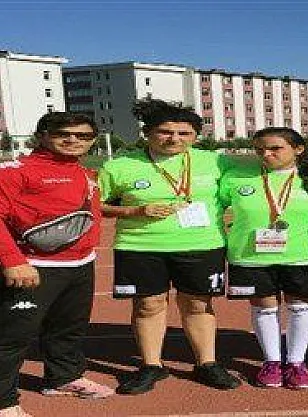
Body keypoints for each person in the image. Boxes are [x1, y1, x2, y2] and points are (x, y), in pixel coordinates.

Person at [98, 100, 240, 395]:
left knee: (198, 304)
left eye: (184, 133)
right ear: (147, 133)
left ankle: (207, 363)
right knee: (148, 305)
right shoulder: (119, 166)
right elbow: (95, 205)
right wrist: (134, 211)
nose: (174, 138)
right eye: (165, 131)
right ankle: (151, 365)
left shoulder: (216, 162)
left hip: (202, 245)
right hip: (140, 246)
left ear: (196, 136)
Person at [0, 112, 114, 417]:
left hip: (80, 264)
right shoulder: (16, 171)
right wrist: (12, 262)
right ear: (42, 136)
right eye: (63, 133)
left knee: (68, 328)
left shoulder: (84, 172)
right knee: (12, 336)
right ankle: (3, 400)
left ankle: (63, 378)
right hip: (32, 265)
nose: (73, 140)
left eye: (83, 136)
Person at [220, 127, 308, 389]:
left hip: (302, 256)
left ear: (298, 149)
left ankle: (296, 362)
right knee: (264, 306)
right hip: (251, 256)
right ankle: (271, 361)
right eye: (259, 150)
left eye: (275, 148)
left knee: (300, 305)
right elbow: (214, 206)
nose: (266, 154)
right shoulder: (235, 178)